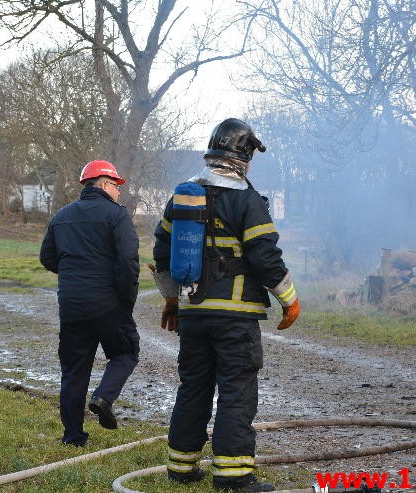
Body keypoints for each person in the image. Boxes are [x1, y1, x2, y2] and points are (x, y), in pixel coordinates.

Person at [151, 118, 301, 492]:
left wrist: (172, 301)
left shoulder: (183, 196)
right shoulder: (246, 200)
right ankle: (234, 477)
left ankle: (181, 468)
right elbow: (265, 256)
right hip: (235, 317)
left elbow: (161, 251)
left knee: (194, 387)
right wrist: (290, 300)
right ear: (244, 158)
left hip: (193, 313)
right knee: (236, 389)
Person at [40, 159, 140, 447]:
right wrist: (126, 300)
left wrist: (75, 273)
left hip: (71, 305)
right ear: (105, 184)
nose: (120, 192)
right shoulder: (117, 216)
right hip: (108, 304)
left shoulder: (62, 216)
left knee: (74, 370)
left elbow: (47, 258)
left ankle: (73, 437)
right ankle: (104, 397)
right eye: (117, 186)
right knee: (126, 353)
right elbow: (128, 262)